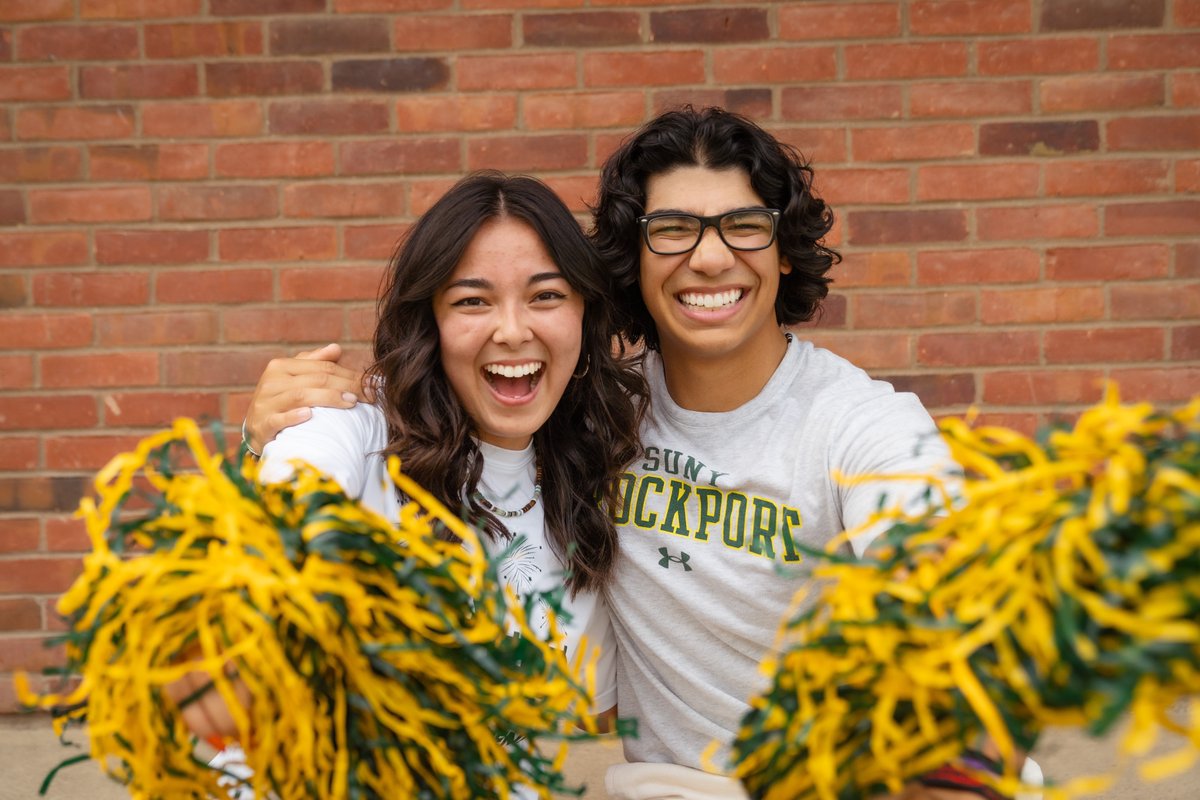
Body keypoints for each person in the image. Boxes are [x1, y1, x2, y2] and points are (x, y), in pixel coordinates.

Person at [243, 109, 1039, 800]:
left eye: (743, 226)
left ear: (784, 250)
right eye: (673, 230)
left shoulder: (861, 425)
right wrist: (264, 442)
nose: (710, 258)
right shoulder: (592, 413)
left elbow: (939, 581)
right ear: (635, 259)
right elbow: (309, 497)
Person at [184, 171, 648, 798]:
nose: (513, 331)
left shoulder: (584, 498)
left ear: (584, 313)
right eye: (472, 301)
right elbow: (285, 520)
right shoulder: (347, 427)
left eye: (545, 296)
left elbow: (569, 716)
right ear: (428, 319)